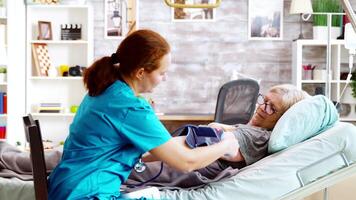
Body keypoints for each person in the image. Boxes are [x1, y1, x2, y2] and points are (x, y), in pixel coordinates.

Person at [47, 29, 239, 200]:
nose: (165, 78)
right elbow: (186, 162)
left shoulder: (105, 89)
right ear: (141, 73)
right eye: (162, 73)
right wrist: (226, 145)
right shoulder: (131, 106)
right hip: (87, 194)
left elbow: (131, 149)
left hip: (66, 188)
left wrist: (185, 141)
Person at [125, 84, 310, 188]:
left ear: (282, 118)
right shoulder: (250, 129)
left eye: (272, 109)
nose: (262, 108)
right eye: (265, 101)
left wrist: (137, 155)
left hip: (170, 166)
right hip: (166, 161)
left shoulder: (258, 136)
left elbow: (217, 142)